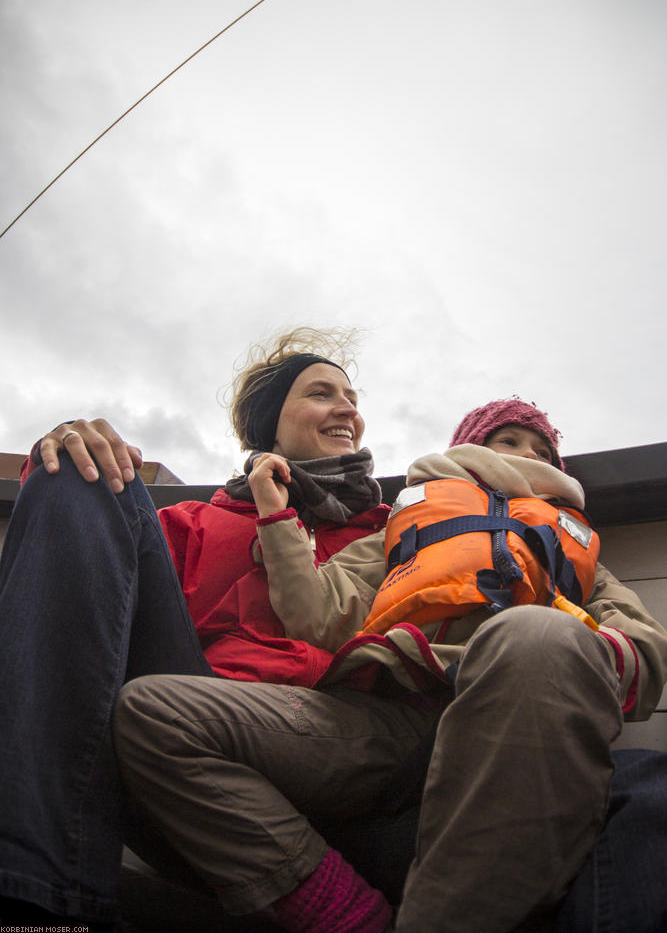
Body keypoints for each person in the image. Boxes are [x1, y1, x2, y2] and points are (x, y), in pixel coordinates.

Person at [113, 397, 667, 932]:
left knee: (534, 634)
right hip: (382, 722)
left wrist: (565, 651)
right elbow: (318, 614)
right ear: (472, 448)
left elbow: (642, 648)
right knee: (153, 711)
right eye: (509, 441)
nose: (527, 455)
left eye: (542, 452)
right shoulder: (403, 529)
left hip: (507, 714)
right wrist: (276, 515)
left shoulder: (578, 547)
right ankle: (345, 915)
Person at [0, 327, 393, 931]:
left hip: (333, 738)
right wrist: (61, 455)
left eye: (353, 399)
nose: (348, 410)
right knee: (77, 469)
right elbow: (79, 596)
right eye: (321, 393)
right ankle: (39, 901)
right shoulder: (189, 523)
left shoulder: (393, 529)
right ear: (270, 425)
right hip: (179, 729)